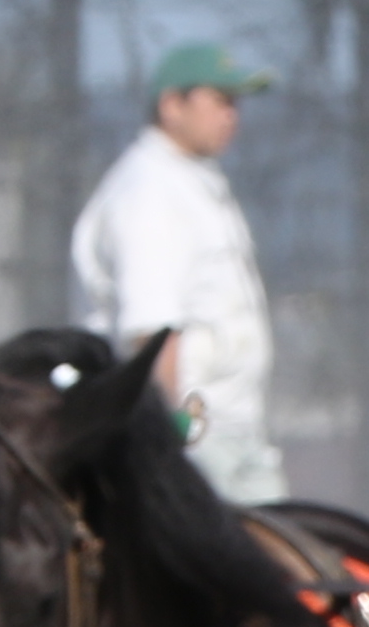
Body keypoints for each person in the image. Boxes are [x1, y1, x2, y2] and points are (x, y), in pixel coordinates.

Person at [68, 39, 286, 501]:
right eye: (220, 100)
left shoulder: (192, 182)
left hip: (234, 432)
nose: (232, 115)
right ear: (172, 104)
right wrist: (170, 441)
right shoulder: (149, 190)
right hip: (193, 440)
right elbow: (152, 333)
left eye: (236, 104)